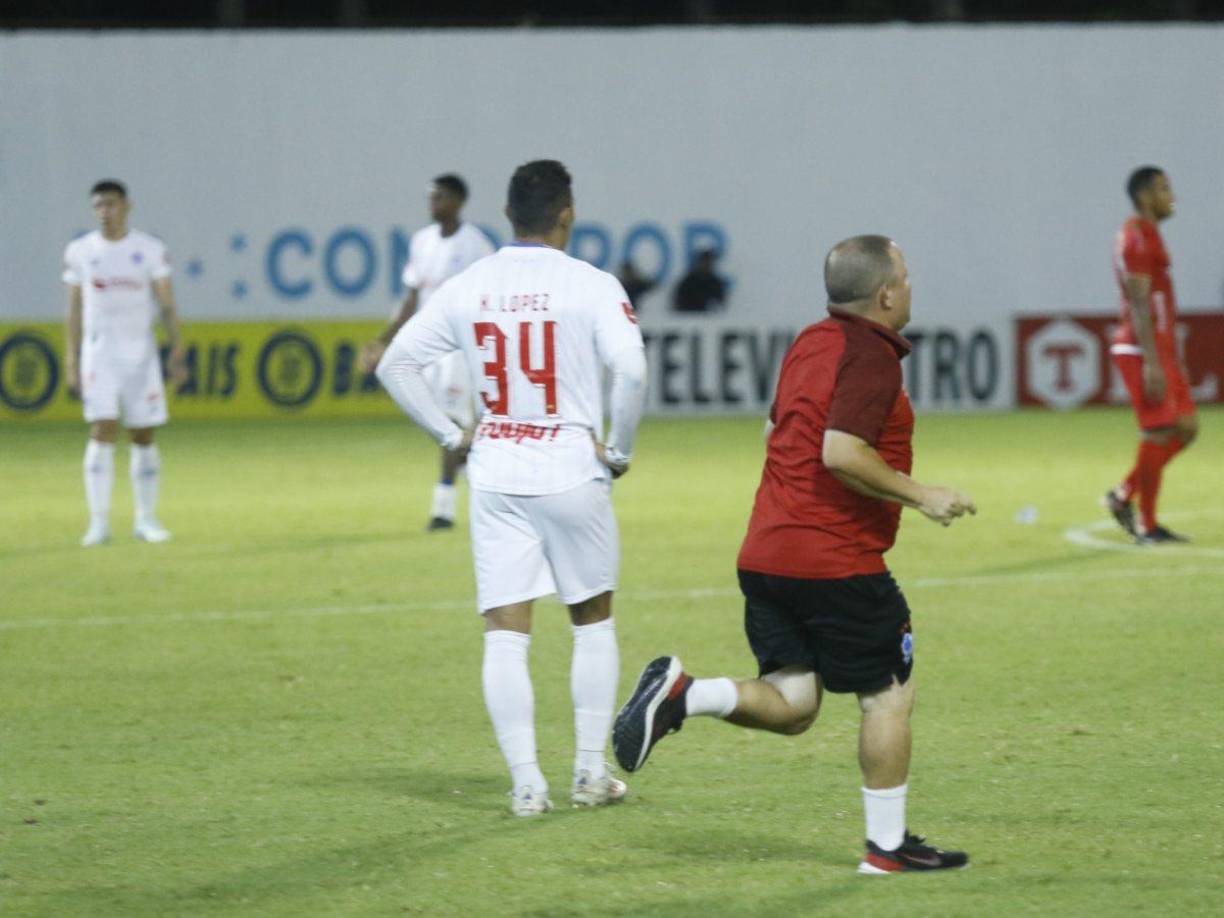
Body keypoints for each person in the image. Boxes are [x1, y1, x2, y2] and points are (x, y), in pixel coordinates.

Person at [614, 235, 976, 874]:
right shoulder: (872, 355)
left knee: (794, 703)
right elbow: (840, 451)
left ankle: (683, 695)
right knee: (889, 695)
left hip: (767, 553)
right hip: (836, 560)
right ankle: (887, 849)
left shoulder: (813, 340)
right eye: (907, 277)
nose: (911, 287)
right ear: (886, 292)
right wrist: (923, 495)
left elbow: (774, 429)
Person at [377, 160, 648, 816]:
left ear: (507, 215)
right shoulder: (589, 284)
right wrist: (618, 451)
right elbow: (632, 372)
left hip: (497, 467)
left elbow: (396, 364)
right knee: (591, 623)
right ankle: (588, 773)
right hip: (569, 466)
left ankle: (527, 783)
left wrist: (451, 436)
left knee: (505, 633)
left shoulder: (471, 285)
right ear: (567, 213)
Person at [360, 174, 495, 530]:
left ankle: (443, 507)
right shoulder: (421, 242)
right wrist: (384, 339)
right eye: (431, 198)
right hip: (424, 344)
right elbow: (411, 298)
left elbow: (488, 299)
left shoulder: (476, 246)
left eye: (440, 198)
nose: (433, 204)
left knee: (449, 423)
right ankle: (474, 459)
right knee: (433, 417)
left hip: (458, 348)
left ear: (458, 201)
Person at [62, 179, 186, 547]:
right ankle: (98, 523)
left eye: (111, 204)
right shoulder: (80, 251)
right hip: (99, 354)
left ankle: (145, 519)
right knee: (102, 428)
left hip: (141, 355)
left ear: (127, 206)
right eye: (98, 205)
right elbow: (74, 307)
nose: (105, 212)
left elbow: (165, 302)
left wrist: (176, 347)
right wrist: (71, 357)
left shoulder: (148, 249)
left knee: (143, 433)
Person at [1103, 167, 1197, 544]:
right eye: (1163, 188)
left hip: (1158, 348)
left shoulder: (1147, 234)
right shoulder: (1136, 238)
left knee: (1187, 428)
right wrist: (1154, 362)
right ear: (1144, 196)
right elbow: (1139, 302)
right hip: (1142, 348)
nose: (1170, 195)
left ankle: (1123, 494)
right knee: (1158, 431)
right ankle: (1147, 524)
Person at [671, 247, 727, 313]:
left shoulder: (716, 283)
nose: (707, 265)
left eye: (709, 262)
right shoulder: (688, 282)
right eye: (704, 262)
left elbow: (720, 303)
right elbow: (677, 303)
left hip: (709, 320)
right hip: (688, 319)